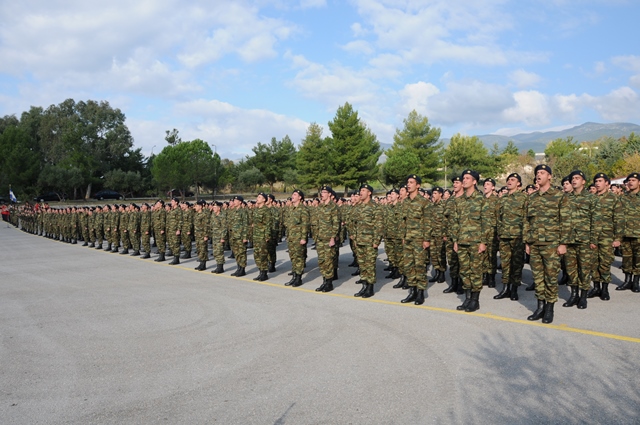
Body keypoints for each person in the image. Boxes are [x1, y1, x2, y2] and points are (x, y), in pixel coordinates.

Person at [523, 164, 569, 324]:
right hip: (535, 244)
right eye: (537, 173)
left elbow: (566, 222)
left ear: (549, 176)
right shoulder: (531, 198)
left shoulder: (559, 196)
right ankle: (540, 306)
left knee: (550, 277)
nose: (538, 175)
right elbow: (527, 222)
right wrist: (527, 242)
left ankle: (549, 309)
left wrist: (563, 243)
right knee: (538, 277)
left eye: (542, 173)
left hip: (552, 244)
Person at [451, 170, 494, 312]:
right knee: (464, 271)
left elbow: (486, 223)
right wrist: (455, 240)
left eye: (467, 178)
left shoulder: (481, 200)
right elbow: (455, 222)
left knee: (475, 272)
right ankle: (467, 299)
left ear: (474, 181)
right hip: (462, 241)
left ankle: (475, 300)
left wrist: (483, 242)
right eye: (463, 178)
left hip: (476, 242)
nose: (464, 180)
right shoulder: (459, 201)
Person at [562, 170, 598, 309]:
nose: (574, 180)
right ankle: (574, 295)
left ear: (583, 181)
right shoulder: (565, 198)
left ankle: (583, 297)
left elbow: (596, 220)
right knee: (571, 269)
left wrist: (593, 240)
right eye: (572, 178)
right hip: (569, 239)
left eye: (577, 178)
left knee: (584, 269)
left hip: (585, 239)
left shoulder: (591, 198)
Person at [588, 173, 622, 300]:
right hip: (592, 236)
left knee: (605, 263)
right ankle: (596, 287)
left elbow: (619, 219)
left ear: (607, 183)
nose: (597, 183)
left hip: (607, 236)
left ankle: (605, 289)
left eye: (600, 181)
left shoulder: (613, 199)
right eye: (596, 181)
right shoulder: (591, 198)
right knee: (593, 263)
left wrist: (618, 238)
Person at [399, 175, 432, 304]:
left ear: (418, 185)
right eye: (408, 182)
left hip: (419, 239)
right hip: (407, 239)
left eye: (411, 182)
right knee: (408, 266)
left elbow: (428, 222)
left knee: (419, 266)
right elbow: (403, 221)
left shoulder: (424, 202)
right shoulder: (405, 202)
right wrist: (403, 236)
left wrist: (426, 239)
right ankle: (412, 291)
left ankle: (420, 293)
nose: (408, 184)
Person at [494, 173, 527, 301]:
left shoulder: (524, 198)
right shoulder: (502, 199)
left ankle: (514, 289)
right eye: (508, 180)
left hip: (517, 236)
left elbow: (526, 217)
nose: (509, 182)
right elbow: (498, 217)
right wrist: (499, 232)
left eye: (513, 180)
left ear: (518, 183)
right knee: (505, 263)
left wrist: (524, 235)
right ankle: (505, 288)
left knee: (517, 263)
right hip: (504, 236)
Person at [352, 184, 384, 298]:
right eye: (360, 190)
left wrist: (376, 241)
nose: (361, 192)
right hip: (360, 241)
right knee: (362, 265)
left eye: (363, 190)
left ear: (369, 193)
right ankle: (364, 286)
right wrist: (355, 238)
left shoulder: (375, 207)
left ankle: (370, 288)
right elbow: (355, 225)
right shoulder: (359, 207)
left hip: (370, 241)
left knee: (370, 265)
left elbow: (379, 225)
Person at [314, 186, 341, 292]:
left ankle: (329, 283)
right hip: (320, 238)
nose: (322, 194)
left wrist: (333, 238)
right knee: (321, 261)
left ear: (329, 194)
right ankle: (324, 281)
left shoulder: (333, 207)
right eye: (321, 192)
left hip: (329, 238)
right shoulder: (320, 206)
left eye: (324, 192)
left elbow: (336, 224)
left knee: (329, 261)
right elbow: (317, 223)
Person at [618, 172, 640, 291]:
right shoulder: (622, 198)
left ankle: (636, 282)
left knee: (638, 259)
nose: (631, 182)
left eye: (633, 180)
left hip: (638, 234)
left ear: (639, 182)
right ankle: (627, 281)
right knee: (626, 259)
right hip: (625, 233)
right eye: (629, 180)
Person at [284, 190, 309, 287]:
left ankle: (298, 278)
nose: (292, 196)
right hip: (291, 237)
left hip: (298, 238)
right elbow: (288, 224)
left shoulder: (303, 209)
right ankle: (294, 277)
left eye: (295, 195)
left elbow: (305, 225)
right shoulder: (291, 208)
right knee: (293, 257)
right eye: (292, 194)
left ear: (300, 197)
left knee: (299, 258)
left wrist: (303, 238)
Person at [252, 193, 273, 281]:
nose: (257, 198)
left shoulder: (266, 210)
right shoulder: (256, 210)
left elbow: (268, 224)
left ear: (264, 200)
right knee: (256, 255)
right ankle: (260, 271)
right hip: (256, 236)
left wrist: (267, 236)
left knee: (263, 255)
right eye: (257, 197)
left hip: (262, 236)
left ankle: (264, 273)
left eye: (259, 197)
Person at [228, 196, 249, 276]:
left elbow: (245, 225)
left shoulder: (243, 212)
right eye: (234, 200)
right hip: (234, 236)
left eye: (236, 200)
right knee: (236, 253)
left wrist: (245, 237)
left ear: (240, 202)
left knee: (242, 253)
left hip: (240, 236)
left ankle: (242, 269)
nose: (234, 201)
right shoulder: (233, 211)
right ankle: (238, 268)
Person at [210, 201, 227, 274]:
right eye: (213, 207)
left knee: (220, 252)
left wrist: (223, 237)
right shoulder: (213, 215)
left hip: (220, 236)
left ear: (219, 208)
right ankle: (218, 266)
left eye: (215, 207)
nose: (213, 208)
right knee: (215, 252)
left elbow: (224, 227)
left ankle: (220, 267)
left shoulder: (222, 216)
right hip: (214, 236)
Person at [193, 199, 210, 271]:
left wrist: (206, 235)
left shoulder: (204, 214)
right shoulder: (196, 214)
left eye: (196, 206)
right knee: (199, 249)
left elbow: (206, 225)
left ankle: (203, 264)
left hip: (202, 235)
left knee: (203, 249)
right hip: (197, 234)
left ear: (200, 206)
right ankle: (201, 263)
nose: (195, 207)